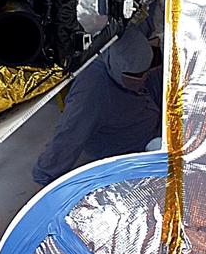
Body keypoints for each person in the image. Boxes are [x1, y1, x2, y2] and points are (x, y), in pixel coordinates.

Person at [32, 23, 163, 187]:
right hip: (127, 144)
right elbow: (69, 134)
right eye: (136, 75)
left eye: (143, 72)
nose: (142, 77)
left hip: (142, 102)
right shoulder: (91, 90)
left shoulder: (129, 43)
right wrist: (46, 176)